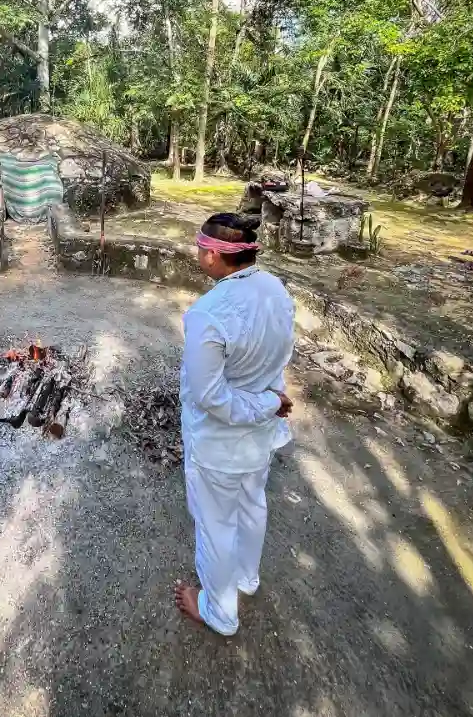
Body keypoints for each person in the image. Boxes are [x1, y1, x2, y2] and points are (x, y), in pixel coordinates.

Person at [174, 211, 295, 636]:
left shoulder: (208, 313)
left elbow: (210, 397)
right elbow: (278, 354)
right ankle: (247, 577)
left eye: (199, 248)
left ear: (212, 257)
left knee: (216, 526)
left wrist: (265, 403)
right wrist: (270, 400)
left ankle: (219, 613)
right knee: (252, 504)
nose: (197, 254)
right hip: (258, 441)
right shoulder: (276, 290)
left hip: (220, 445)